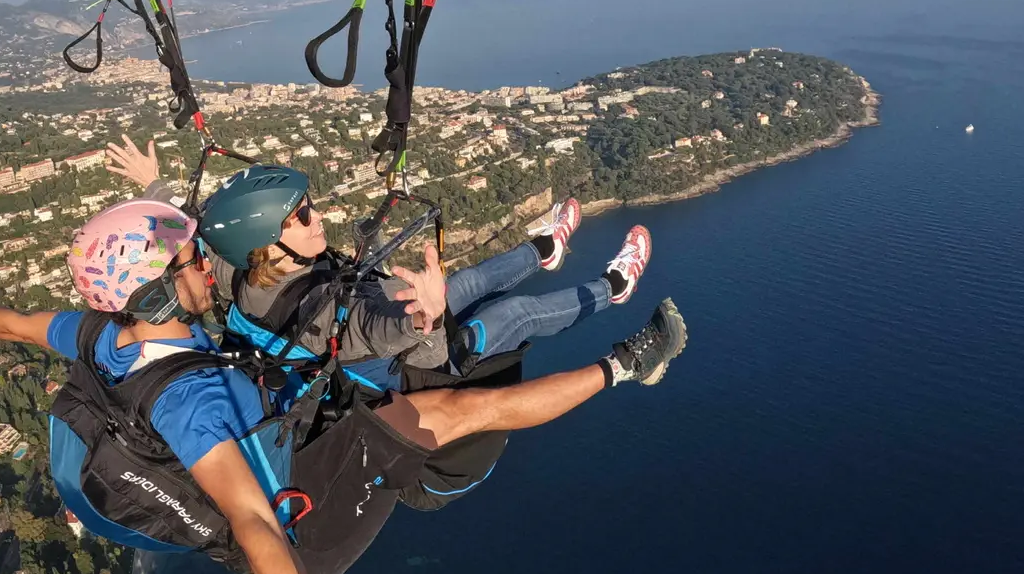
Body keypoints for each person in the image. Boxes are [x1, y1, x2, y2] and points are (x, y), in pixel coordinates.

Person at [0, 198, 687, 574]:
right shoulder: (188, 401)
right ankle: (626, 365)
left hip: (295, 429)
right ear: (159, 287)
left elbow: (19, 324)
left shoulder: (100, 333)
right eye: (190, 261)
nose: (206, 267)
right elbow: (252, 524)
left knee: (422, 354)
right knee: (449, 412)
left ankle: (571, 301)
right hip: (307, 528)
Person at [104, 137, 651, 387]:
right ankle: (613, 284)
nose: (317, 219)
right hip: (425, 354)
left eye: (309, 207)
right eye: (301, 217)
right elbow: (379, 331)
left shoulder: (240, 266)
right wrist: (426, 316)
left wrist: (152, 185)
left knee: (474, 277)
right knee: (517, 314)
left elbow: (198, 232)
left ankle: (545, 248)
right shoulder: (321, 322)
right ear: (270, 244)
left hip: (386, 300)